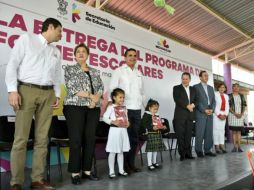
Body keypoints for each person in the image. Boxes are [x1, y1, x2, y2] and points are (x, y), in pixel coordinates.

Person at [5, 18, 62, 190]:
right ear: (50, 27)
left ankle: (37, 179)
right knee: (21, 139)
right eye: (60, 30)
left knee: (42, 139)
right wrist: (12, 90)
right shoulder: (27, 39)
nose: (61, 34)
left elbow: (58, 75)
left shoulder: (56, 51)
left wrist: (57, 94)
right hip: (26, 91)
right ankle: (16, 182)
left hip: (48, 93)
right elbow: (12, 64)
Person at [63, 43, 104, 185]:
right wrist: (90, 96)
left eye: (83, 51)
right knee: (76, 139)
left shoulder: (95, 71)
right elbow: (71, 87)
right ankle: (75, 173)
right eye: (78, 51)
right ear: (74, 55)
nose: (81, 53)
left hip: (93, 108)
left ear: (88, 55)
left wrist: (95, 99)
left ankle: (87, 171)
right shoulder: (69, 69)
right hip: (74, 106)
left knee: (90, 139)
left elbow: (101, 87)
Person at [109, 48, 145, 173]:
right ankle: (122, 166)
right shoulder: (119, 71)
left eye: (135, 55)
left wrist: (145, 108)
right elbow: (112, 89)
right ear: (125, 58)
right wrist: (115, 108)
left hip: (137, 110)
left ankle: (131, 164)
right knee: (124, 139)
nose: (132, 57)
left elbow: (142, 92)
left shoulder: (139, 73)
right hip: (124, 110)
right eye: (130, 55)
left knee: (134, 139)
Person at [103, 88, 130, 179]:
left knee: (121, 151)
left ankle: (121, 170)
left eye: (123, 97)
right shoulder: (111, 107)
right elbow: (105, 118)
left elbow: (126, 119)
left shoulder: (124, 108)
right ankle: (111, 171)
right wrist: (113, 122)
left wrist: (128, 123)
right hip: (114, 132)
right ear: (114, 97)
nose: (122, 99)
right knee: (113, 152)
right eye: (120, 97)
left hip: (123, 131)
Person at [173, 72, 196, 161]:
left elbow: (196, 100)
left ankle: (188, 154)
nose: (184, 80)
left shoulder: (193, 89)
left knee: (188, 136)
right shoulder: (176, 88)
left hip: (190, 116)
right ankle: (182, 154)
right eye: (183, 78)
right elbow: (177, 99)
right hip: (179, 116)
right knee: (180, 136)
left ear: (189, 80)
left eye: (186, 79)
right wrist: (187, 106)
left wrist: (193, 105)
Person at [194, 70, 216, 157]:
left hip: (210, 114)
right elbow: (196, 101)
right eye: (204, 76)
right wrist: (204, 110)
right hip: (200, 114)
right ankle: (198, 150)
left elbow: (214, 101)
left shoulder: (211, 88)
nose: (206, 77)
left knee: (209, 133)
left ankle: (207, 150)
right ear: (200, 77)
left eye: (207, 76)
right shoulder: (195, 87)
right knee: (200, 133)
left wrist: (212, 109)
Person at [140, 99, 166, 170]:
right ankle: (149, 164)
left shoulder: (157, 115)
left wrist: (162, 126)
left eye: (157, 109)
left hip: (157, 133)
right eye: (154, 109)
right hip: (151, 134)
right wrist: (151, 127)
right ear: (149, 108)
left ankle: (154, 162)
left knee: (155, 149)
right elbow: (144, 124)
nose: (156, 110)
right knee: (150, 150)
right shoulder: (146, 115)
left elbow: (159, 123)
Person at [228, 83, 247, 152]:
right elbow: (228, 106)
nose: (236, 88)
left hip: (240, 115)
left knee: (239, 132)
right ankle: (234, 147)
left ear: (239, 88)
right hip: (232, 115)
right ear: (232, 88)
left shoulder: (241, 96)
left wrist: (241, 114)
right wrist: (235, 113)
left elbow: (244, 105)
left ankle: (239, 147)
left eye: (237, 87)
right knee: (234, 132)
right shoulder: (229, 96)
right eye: (234, 87)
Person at [213, 83, 229, 154]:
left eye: (223, 87)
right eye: (220, 87)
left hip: (224, 115)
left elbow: (227, 106)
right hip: (217, 115)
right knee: (216, 130)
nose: (222, 89)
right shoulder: (215, 94)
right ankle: (216, 146)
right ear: (218, 88)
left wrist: (225, 115)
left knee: (222, 130)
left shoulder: (226, 96)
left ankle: (222, 145)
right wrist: (219, 115)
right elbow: (214, 105)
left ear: (225, 89)